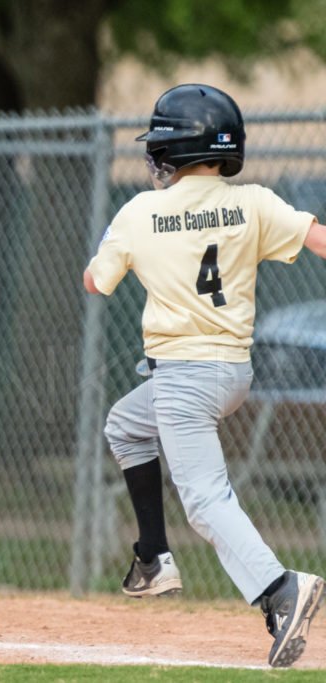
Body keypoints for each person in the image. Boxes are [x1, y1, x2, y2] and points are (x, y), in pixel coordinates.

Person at [83, 83, 326, 668]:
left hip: (183, 378)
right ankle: (153, 557)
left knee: (205, 500)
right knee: (125, 424)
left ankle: (279, 590)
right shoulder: (254, 202)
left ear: (173, 151)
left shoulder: (139, 211)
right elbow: (319, 239)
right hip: (231, 371)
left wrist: (121, 246)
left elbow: (96, 282)